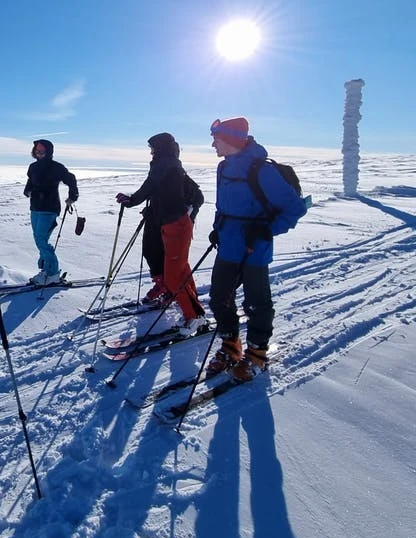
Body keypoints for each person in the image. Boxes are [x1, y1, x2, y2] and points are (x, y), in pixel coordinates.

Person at [206, 117, 306, 381]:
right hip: (228, 244)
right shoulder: (223, 168)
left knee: (256, 303)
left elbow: (295, 209)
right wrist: (218, 226)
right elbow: (222, 204)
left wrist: (267, 230)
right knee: (219, 297)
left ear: (231, 140)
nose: (213, 144)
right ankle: (230, 346)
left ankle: (257, 353)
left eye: (216, 138)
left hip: (255, 247)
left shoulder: (262, 171)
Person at [116, 132, 206, 336]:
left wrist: (131, 201)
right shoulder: (170, 165)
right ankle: (194, 310)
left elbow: (148, 189)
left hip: (176, 225)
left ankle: (195, 317)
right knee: (178, 270)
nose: (151, 152)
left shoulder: (164, 165)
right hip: (170, 223)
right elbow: (161, 193)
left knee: (175, 276)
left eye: (153, 148)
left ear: (161, 149)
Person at [24, 139, 79, 286]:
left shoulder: (56, 167)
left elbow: (71, 179)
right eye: (37, 151)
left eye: (42, 151)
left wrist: (72, 197)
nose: (39, 153)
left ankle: (53, 273)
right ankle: (45, 271)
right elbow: (31, 181)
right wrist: (27, 190)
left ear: (49, 152)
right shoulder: (33, 167)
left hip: (49, 208)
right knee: (38, 240)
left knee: (41, 240)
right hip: (35, 207)